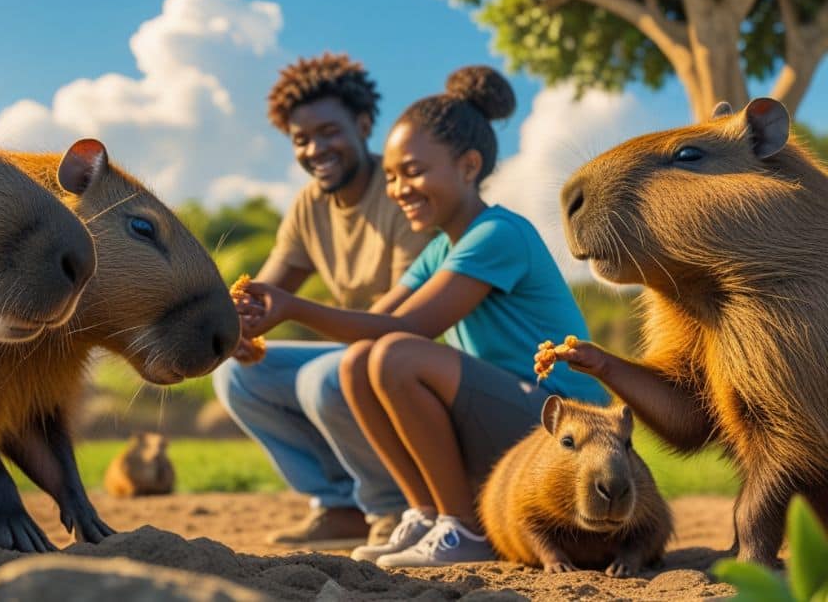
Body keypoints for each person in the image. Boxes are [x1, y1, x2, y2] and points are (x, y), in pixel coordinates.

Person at [235, 66, 609, 567]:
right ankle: (427, 513)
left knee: (395, 357)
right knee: (357, 362)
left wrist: (293, 308)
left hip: (568, 424)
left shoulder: (498, 234)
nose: (397, 188)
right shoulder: (440, 249)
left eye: (412, 171)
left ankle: (464, 529)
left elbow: (411, 331)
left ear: (468, 166)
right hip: (513, 415)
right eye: (390, 176)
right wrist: (260, 313)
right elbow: (377, 319)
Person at [212, 52, 432, 550]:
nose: (315, 149)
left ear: (363, 123)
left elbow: (399, 324)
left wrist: (290, 311)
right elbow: (265, 291)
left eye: (329, 132)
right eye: (300, 139)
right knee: (239, 374)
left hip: (415, 362)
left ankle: (394, 506)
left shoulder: (401, 192)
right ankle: (340, 506)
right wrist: (241, 328)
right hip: (360, 354)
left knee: (329, 376)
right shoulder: (310, 205)